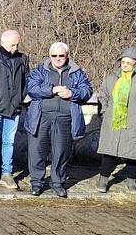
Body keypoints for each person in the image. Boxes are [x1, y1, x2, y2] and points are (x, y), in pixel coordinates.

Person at [24, 42, 93, 197]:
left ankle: (58, 183)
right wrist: (51, 89)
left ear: (67, 55)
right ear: (50, 56)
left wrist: (72, 93)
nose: (57, 58)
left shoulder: (77, 72)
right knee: (37, 152)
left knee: (61, 153)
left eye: (61, 55)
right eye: (54, 55)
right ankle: (37, 183)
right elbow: (32, 88)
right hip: (40, 118)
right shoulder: (41, 70)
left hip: (65, 119)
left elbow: (87, 91)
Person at [96, 47, 136, 194]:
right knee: (109, 151)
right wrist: (105, 111)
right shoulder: (112, 78)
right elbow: (102, 95)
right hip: (113, 120)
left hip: (134, 121)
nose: (124, 65)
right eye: (123, 61)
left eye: (128, 62)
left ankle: (131, 180)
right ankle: (103, 178)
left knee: (133, 153)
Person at [0, 30, 29, 189]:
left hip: (14, 106)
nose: (16, 47)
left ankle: (6, 174)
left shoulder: (22, 58)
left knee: (9, 142)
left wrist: (20, 97)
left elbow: (26, 80)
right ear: (4, 43)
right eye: (13, 44)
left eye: (17, 44)